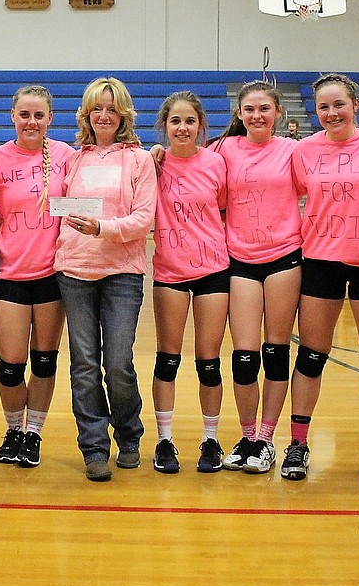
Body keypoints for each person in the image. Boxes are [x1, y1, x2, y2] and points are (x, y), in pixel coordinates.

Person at [286, 73, 359, 484]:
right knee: (311, 356)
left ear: (355, 105)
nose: (331, 113)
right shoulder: (303, 151)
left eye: (339, 105)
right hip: (319, 260)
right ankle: (297, 444)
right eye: (323, 107)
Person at [58, 77, 156, 482]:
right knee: (83, 365)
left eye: (111, 109)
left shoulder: (139, 160)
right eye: (97, 108)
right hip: (74, 271)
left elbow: (144, 219)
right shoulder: (72, 159)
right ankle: (94, 447)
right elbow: (57, 209)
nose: (103, 115)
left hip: (121, 274)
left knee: (118, 363)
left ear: (123, 115)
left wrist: (102, 228)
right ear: (86, 113)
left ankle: (129, 435)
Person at [206, 81, 302, 475]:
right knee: (244, 357)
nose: (256, 115)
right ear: (240, 113)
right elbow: (187, 164)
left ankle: (266, 438)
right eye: (249, 109)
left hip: (284, 258)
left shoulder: (295, 151)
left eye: (264, 108)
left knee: (275, 352)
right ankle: (247, 436)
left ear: (278, 112)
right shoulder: (223, 150)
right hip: (240, 259)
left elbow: (338, 149)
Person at [0, 86, 75, 467]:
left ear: (50, 119)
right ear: (12, 116)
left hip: (53, 276)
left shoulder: (67, 157)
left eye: (39, 115)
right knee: (10, 365)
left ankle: (34, 432)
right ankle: (13, 429)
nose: (32, 122)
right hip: (10, 274)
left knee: (44, 361)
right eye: (25, 114)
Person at [149, 91, 229, 475]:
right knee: (168, 359)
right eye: (175, 121)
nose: (182, 128)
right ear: (164, 126)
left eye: (190, 121)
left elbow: (227, 207)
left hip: (213, 269)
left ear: (201, 126)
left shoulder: (216, 163)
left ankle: (210, 439)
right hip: (170, 272)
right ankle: (164, 440)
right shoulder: (154, 164)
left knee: (208, 362)